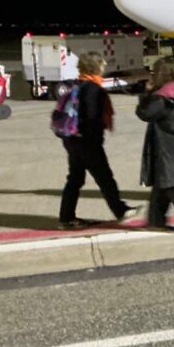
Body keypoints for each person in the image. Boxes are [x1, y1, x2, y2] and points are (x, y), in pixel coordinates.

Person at [57, 52, 138, 229]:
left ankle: (66, 218)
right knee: (104, 177)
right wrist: (94, 140)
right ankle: (121, 211)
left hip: (71, 139)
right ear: (97, 68)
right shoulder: (94, 90)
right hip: (87, 141)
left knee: (75, 178)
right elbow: (92, 118)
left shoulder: (74, 85)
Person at [135, 59, 174, 232]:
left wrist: (146, 93)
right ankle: (156, 220)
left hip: (168, 148)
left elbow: (143, 113)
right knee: (162, 183)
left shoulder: (163, 97)